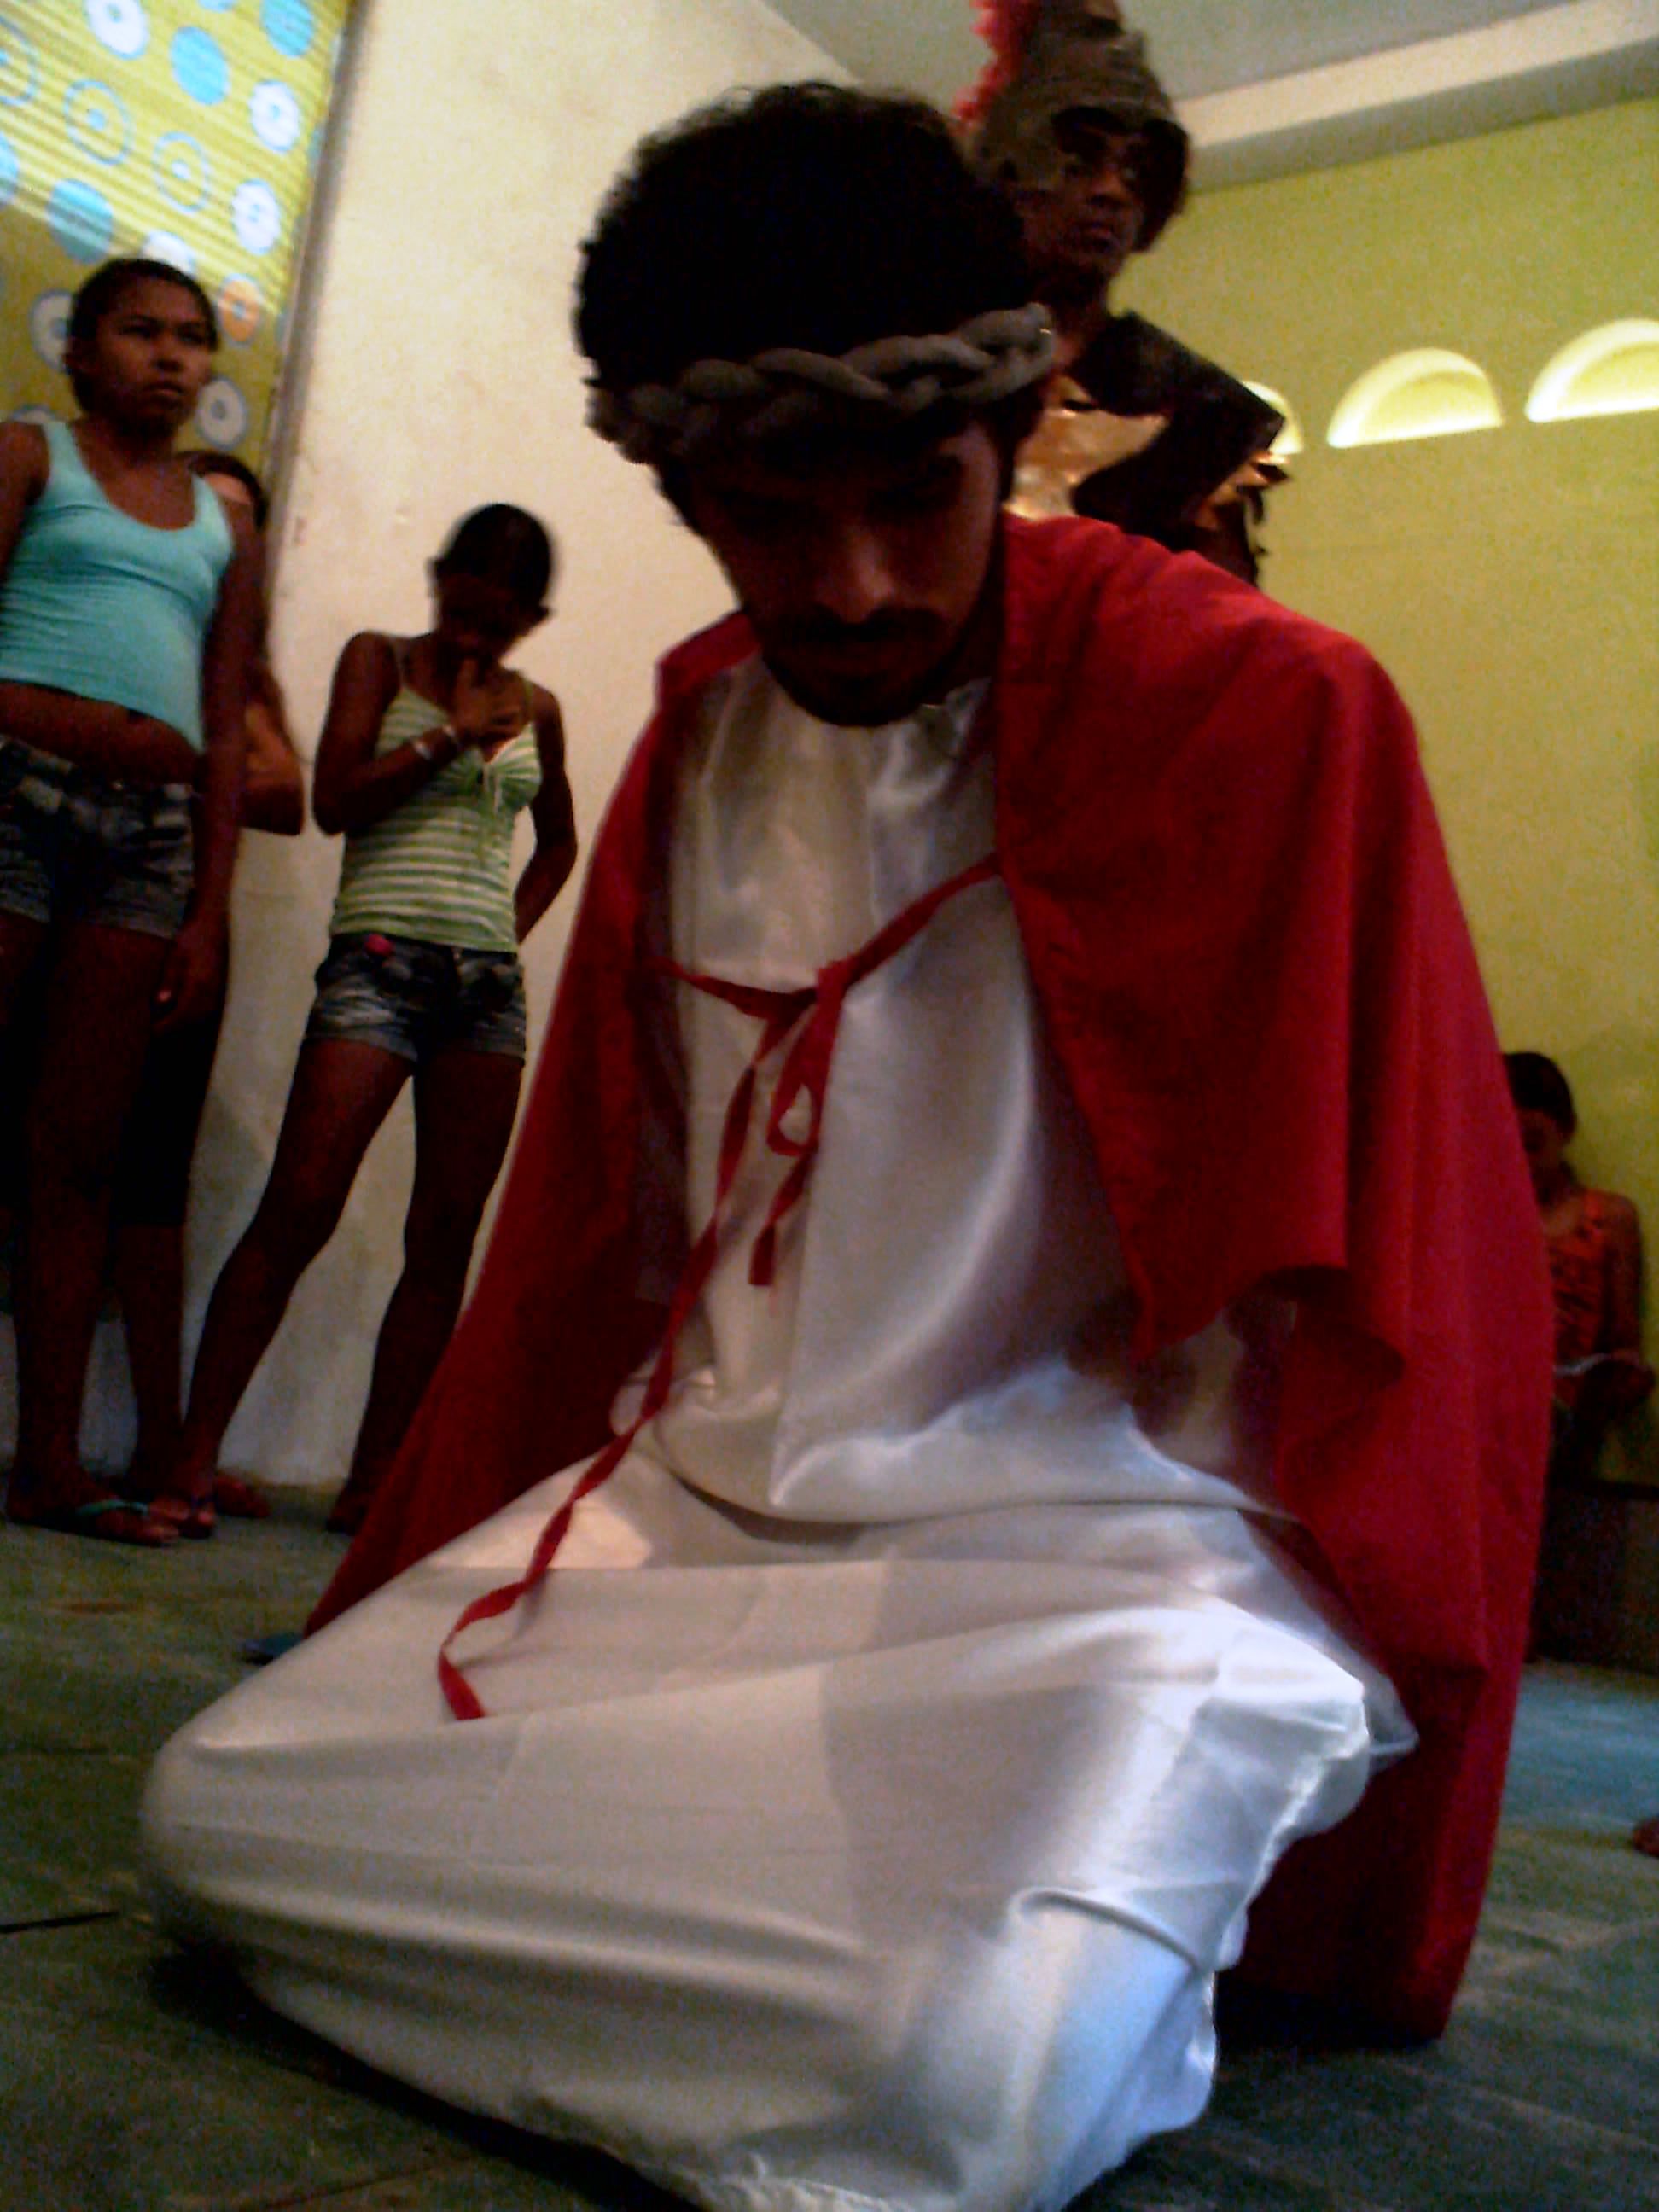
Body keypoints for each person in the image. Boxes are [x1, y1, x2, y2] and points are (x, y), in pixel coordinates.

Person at [146, 89, 1550, 2210]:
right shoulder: (702, 736)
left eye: (917, 498)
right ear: (680, 492)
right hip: (705, 1530)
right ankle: (788, 1967)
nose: (858, 586)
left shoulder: (1274, 711)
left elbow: (1414, 1288)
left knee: (951, 2072)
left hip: (1111, 1560)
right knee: (212, 1816)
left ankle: (862, 1963)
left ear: (1011, 428)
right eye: (770, 520)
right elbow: (607, 1258)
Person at [154, 506, 577, 1538]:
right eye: (461, 609)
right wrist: (452, 733)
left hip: (484, 991)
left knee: (443, 1235)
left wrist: (504, 933)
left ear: (532, 620)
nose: (474, 637)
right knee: (299, 1205)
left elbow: (559, 842)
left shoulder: (540, 707)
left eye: (500, 624)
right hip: (377, 966)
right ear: (436, 579)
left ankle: (374, 1485)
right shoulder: (377, 661)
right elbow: (338, 801)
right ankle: (191, 1461)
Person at [0, 258, 261, 1547]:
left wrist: (208, 911)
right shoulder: (27, 455)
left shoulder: (222, 524)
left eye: (192, 338)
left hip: (149, 842)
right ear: (81, 350)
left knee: (80, 1157)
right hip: (13, 797)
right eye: (141, 332)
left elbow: (225, 718)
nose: (171, 356)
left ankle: (49, 1467)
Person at [109, 452, 305, 1521]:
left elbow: (284, 792)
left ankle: (156, 1444)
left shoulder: (246, 672)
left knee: (152, 1189)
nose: (223, 539)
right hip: (77, 906)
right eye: (206, 513)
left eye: (243, 525)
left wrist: (165, 749)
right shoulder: (116, 618)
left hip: (189, 930)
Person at [963, 0, 1287, 581]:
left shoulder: (1205, 415)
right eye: (1078, 160)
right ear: (1008, 175)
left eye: (1135, 170)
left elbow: (1222, 623)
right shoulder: (934, 377)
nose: (1112, 191)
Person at [1504, 1051, 1654, 1477]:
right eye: (1504, 1145)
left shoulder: (1608, 1219)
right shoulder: (1473, 1220)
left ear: (1566, 1130)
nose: (1520, 1160)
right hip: (1485, 1420)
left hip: (1567, 1432)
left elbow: (1624, 1343)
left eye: (1533, 1144)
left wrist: (1625, 1377)